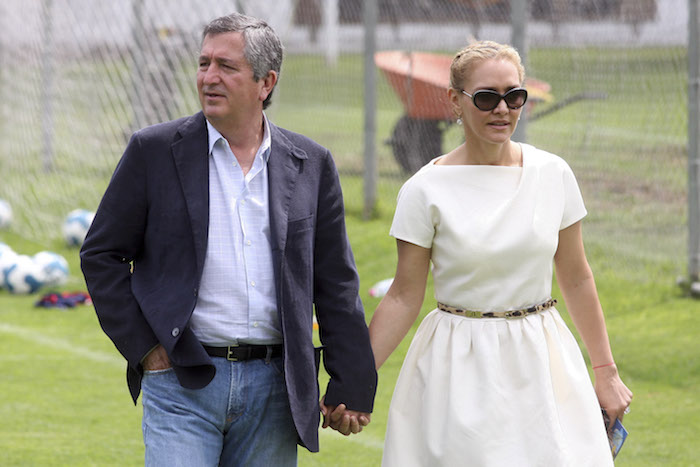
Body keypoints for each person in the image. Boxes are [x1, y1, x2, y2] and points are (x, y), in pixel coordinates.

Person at [80, 12, 376, 466]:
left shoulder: (311, 162)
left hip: (277, 389)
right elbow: (102, 254)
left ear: (266, 82)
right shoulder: (153, 151)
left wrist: (352, 380)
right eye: (203, 63)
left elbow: (334, 281)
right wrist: (148, 350)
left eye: (226, 66)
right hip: (181, 380)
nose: (209, 77)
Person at [368, 40, 633, 466]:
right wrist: (354, 383)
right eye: (487, 98)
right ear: (455, 101)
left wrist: (606, 372)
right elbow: (402, 295)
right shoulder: (424, 188)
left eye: (514, 96)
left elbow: (577, 277)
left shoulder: (553, 174)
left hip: (542, 356)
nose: (502, 109)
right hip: (458, 361)